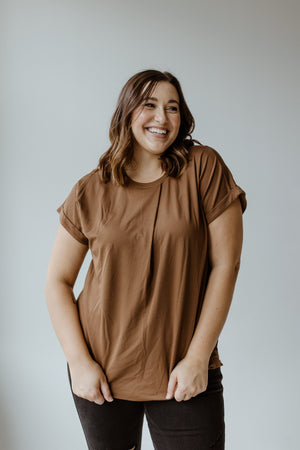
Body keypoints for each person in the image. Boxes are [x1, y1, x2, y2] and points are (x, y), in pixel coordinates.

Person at [45, 69, 247, 450]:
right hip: (101, 373)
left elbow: (227, 265)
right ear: (127, 113)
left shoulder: (203, 168)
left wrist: (198, 358)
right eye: (149, 105)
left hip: (183, 371)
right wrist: (79, 363)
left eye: (173, 108)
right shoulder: (91, 188)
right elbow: (57, 281)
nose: (162, 118)